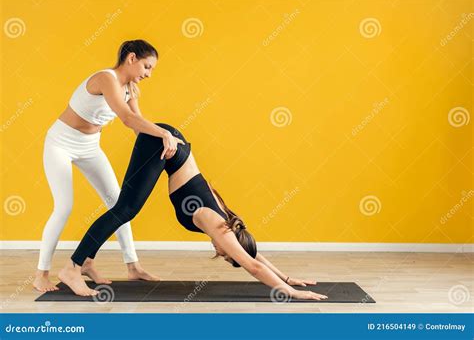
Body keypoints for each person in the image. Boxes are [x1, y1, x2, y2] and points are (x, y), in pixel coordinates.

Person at [58, 123, 328, 301]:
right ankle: (73, 266)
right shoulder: (220, 228)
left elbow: (254, 255)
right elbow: (253, 265)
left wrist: (289, 277)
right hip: (168, 146)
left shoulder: (231, 224)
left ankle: (90, 263)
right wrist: (291, 292)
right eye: (226, 255)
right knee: (125, 209)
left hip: (172, 146)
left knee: (126, 207)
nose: (222, 253)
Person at [34, 40, 185, 292]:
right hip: (60, 143)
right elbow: (126, 119)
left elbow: (137, 123)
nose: (148, 74)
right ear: (132, 58)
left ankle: (132, 266)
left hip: (90, 146)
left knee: (120, 203)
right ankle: (41, 275)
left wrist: (159, 145)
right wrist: (164, 134)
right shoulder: (106, 78)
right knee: (63, 207)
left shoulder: (130, 89)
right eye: (147, 67)